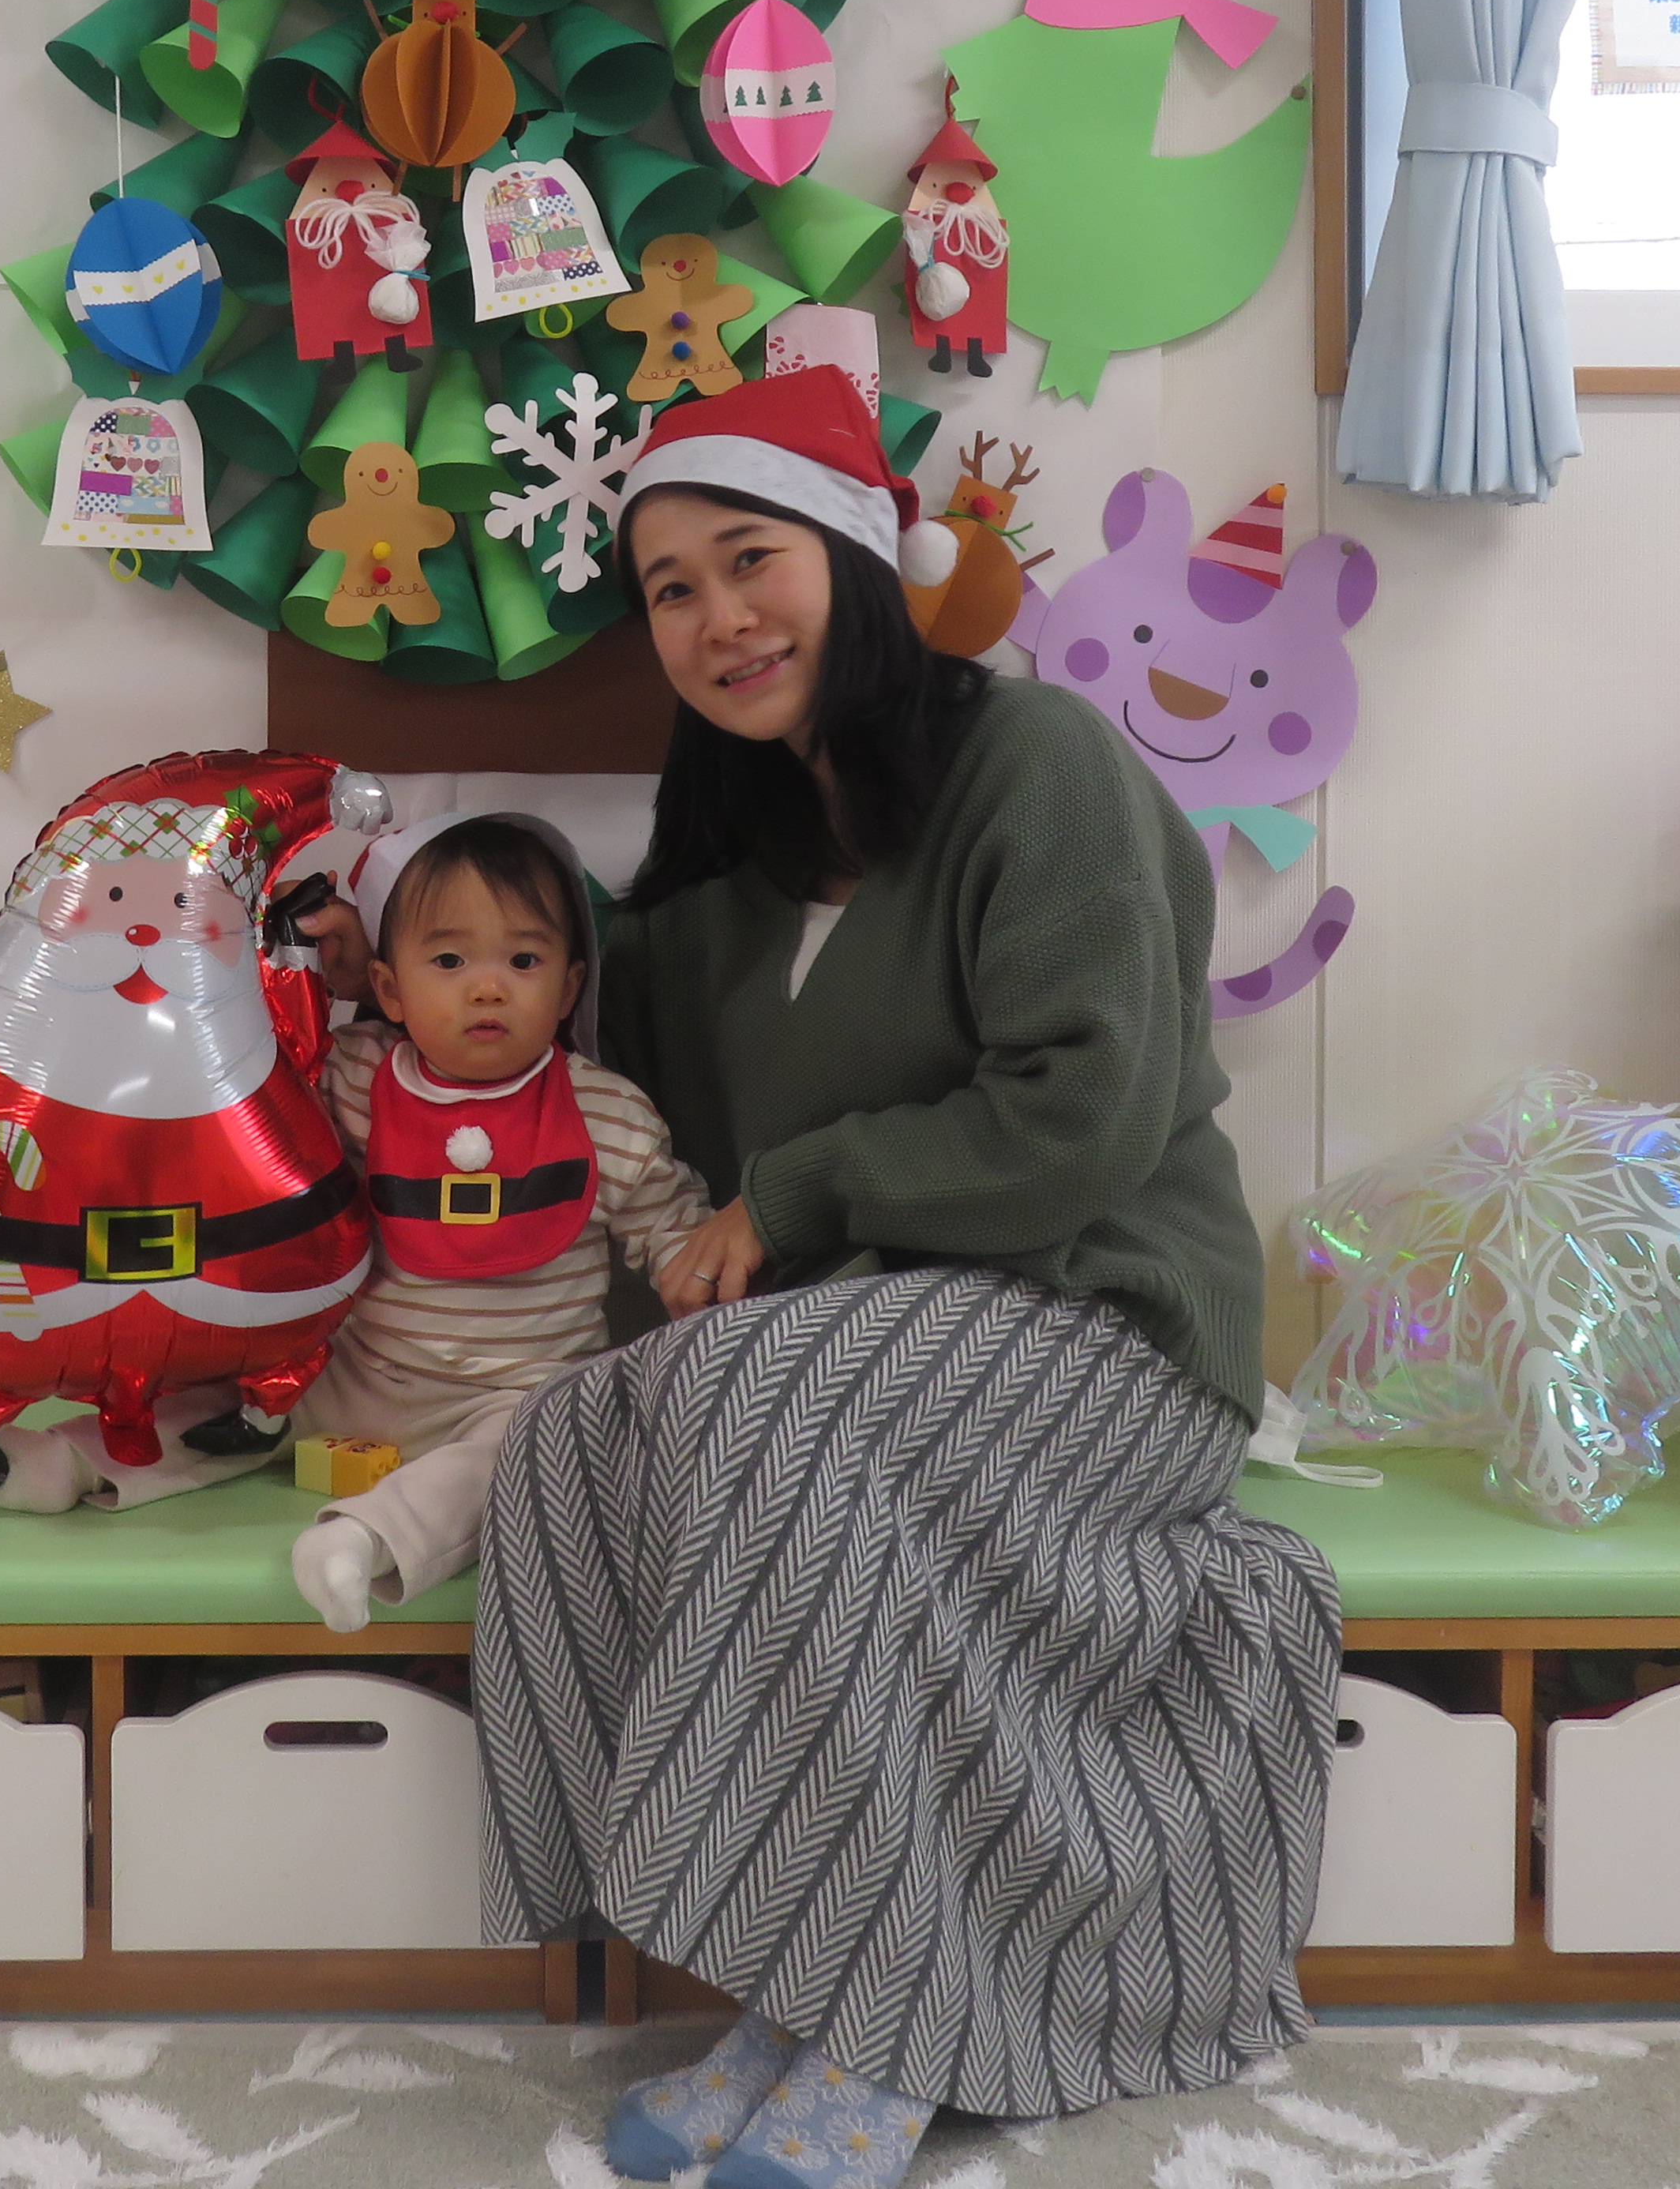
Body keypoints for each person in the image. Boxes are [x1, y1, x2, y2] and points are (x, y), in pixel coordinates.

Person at [478, 370, 1339, 2189]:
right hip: (858, 1345)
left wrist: (805, 1188)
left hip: (1107, 1317)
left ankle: (892, 2023)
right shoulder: (707, 882)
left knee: (776, 1411)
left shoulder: (1039, 763)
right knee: (582, 1435)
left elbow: (1082, 1114)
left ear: (858, 562)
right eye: (670, 590)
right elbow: (640, 1151)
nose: (717, 618)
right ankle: (789, 1975)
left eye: (750, 560)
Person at [283, 813, 709, 1631]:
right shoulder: (357, 1075)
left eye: (523, 961)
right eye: (449, 961)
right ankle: (78, 1461)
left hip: (512, 1398)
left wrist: (707, 1284)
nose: (488, 988)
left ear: (569, 988)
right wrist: (295, 965)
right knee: (238, 1388)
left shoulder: (607, 1112)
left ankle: (364, 1542)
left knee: (531, 1455)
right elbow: (258, 1104)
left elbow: (676, 1236)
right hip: (355, 1372)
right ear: (390, 989)